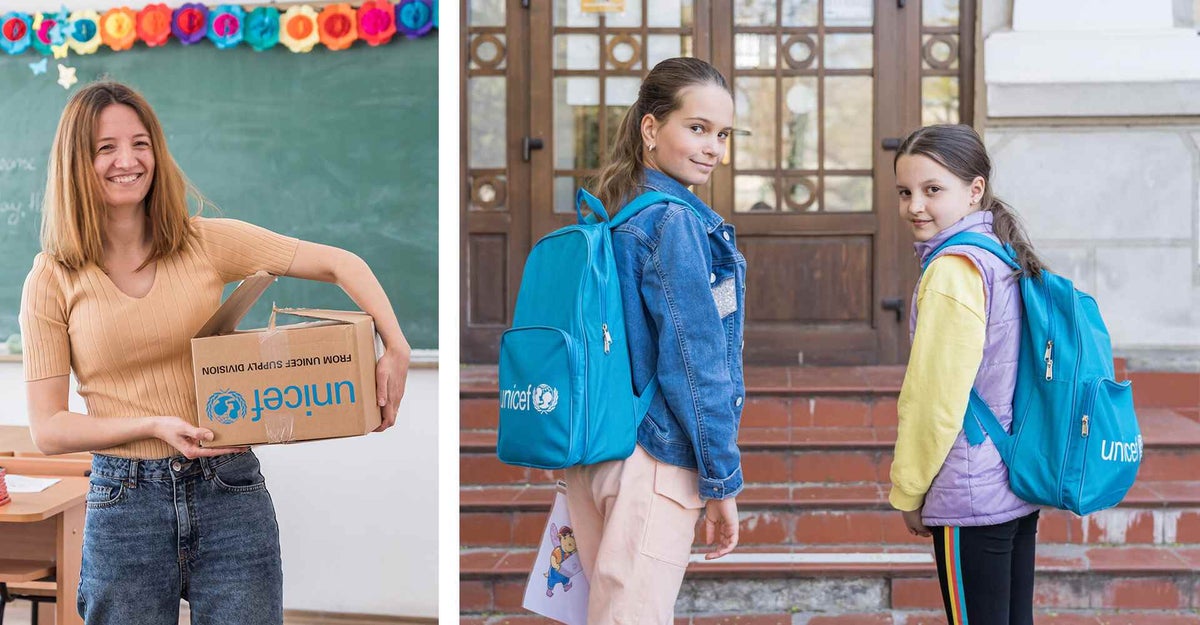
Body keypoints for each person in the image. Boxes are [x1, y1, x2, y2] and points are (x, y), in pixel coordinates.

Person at [19, 81, 410, 625]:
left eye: (140, 143)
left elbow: (341, 264)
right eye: (105, 148)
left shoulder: (204, 243)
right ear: (75, 162)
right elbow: (49, 428)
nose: (127, 161)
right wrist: (156, 423)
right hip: (123, 503)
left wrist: (396, 345)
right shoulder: (52, 276)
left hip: (229, 490)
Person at [562, 57, 743, 625]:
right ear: (650, 129)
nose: (713, 147)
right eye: (697, 128)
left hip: (593, 454)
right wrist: (722, 480)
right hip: (652, 462)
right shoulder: (674, 221)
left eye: (723, 134)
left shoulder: (610, 212)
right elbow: (695, 363)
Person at [888, 124, 1044, 625]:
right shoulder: (1000, 257)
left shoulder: (954, 271)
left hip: (970, 491)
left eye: (933, 190)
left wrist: (910, 491)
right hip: (1013, 480)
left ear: (974, 190)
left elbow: (933, 401)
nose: (916, 205)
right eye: (905, 192)